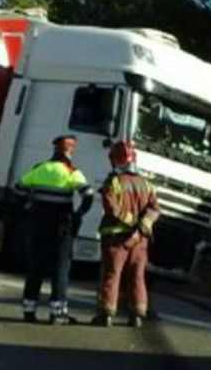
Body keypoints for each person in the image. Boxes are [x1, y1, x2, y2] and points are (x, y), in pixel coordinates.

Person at [15, 135, 95, 324]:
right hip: (62, 227)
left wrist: (27, 207)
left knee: (36, 267)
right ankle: (57, 313)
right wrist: (78, 214)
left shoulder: (39, 169)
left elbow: (19, 189)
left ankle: (29, 309)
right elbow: (88, 195)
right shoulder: (71, 171)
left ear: (54, 151)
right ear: (69, 152)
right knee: (60, 269)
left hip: (38, 225)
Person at [91, 141, 160, 327]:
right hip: (140, 241)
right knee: (137, 275)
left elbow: (112, 208)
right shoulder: (147, 184)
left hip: (116, 239)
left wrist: (130, 224)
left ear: (115, 159)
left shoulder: (113, 181)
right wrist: (140, 229)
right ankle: (137, 314)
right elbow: (154, 210)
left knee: (112, 274)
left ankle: (106, 314)